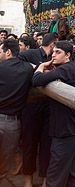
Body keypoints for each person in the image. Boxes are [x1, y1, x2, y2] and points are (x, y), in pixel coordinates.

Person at [32, 41, 75, 187]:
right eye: (53, 52)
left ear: (68, 55)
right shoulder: (65, 68)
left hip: (66, 129)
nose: (53, 55)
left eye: (58, 52)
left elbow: (36, 80)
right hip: (71, 127)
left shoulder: (66, 69)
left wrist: (41, 66)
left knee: (56, 172)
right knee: (73, 171)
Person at [18, 33, 56, 187]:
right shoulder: (30, 54)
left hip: (49, 107)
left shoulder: (56, 59)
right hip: (31, 106)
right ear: (53, 45)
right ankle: (28, 180)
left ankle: (46, 180)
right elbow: (17, 64)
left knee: (47, 145)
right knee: (29, 144)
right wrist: (36, 68)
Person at [0, 39, 34, 182]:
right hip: (12, 125)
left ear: (8, 52)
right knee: (4, 165)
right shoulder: (27, 69)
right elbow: (36, 68)